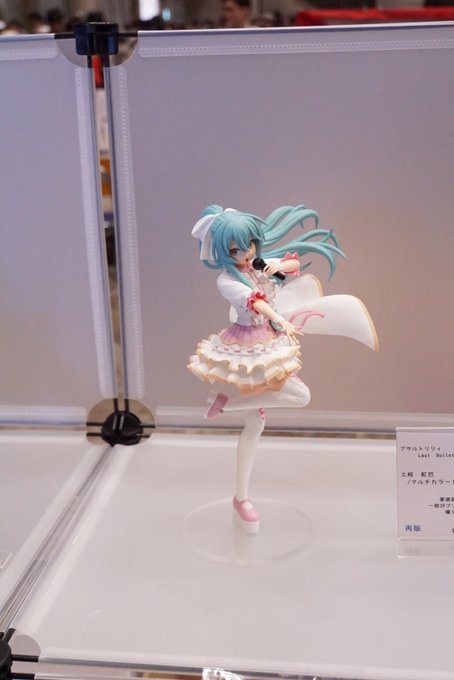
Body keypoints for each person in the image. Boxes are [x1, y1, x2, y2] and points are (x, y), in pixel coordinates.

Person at [189, 204, 378, 534]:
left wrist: (277, 265)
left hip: (268, 342)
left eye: (249, 244)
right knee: (297, 397)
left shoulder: (254, 264)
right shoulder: (227, 280)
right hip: (253, 344)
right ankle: (226, 410)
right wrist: (280, 320)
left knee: (256, 423)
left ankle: (241, 498)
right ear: (222, 253)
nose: (246, 253)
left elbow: (291, 266)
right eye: (235, 250)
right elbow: (255, 302)